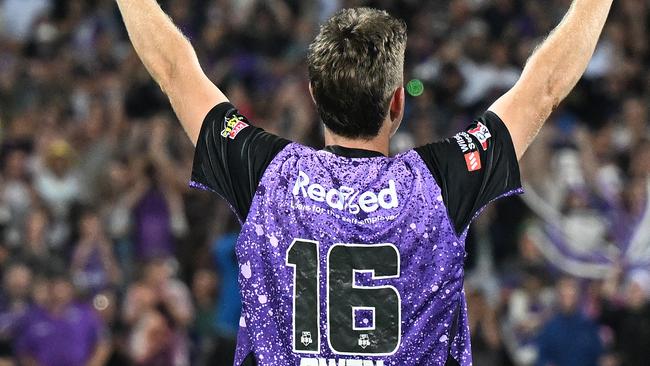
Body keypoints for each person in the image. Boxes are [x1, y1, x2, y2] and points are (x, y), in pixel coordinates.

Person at [116, 0, 613, 365]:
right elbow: (543, 87)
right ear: (398, 103)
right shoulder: (439, 183)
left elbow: (175, 69)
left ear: (314, 96)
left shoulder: (267, 174)